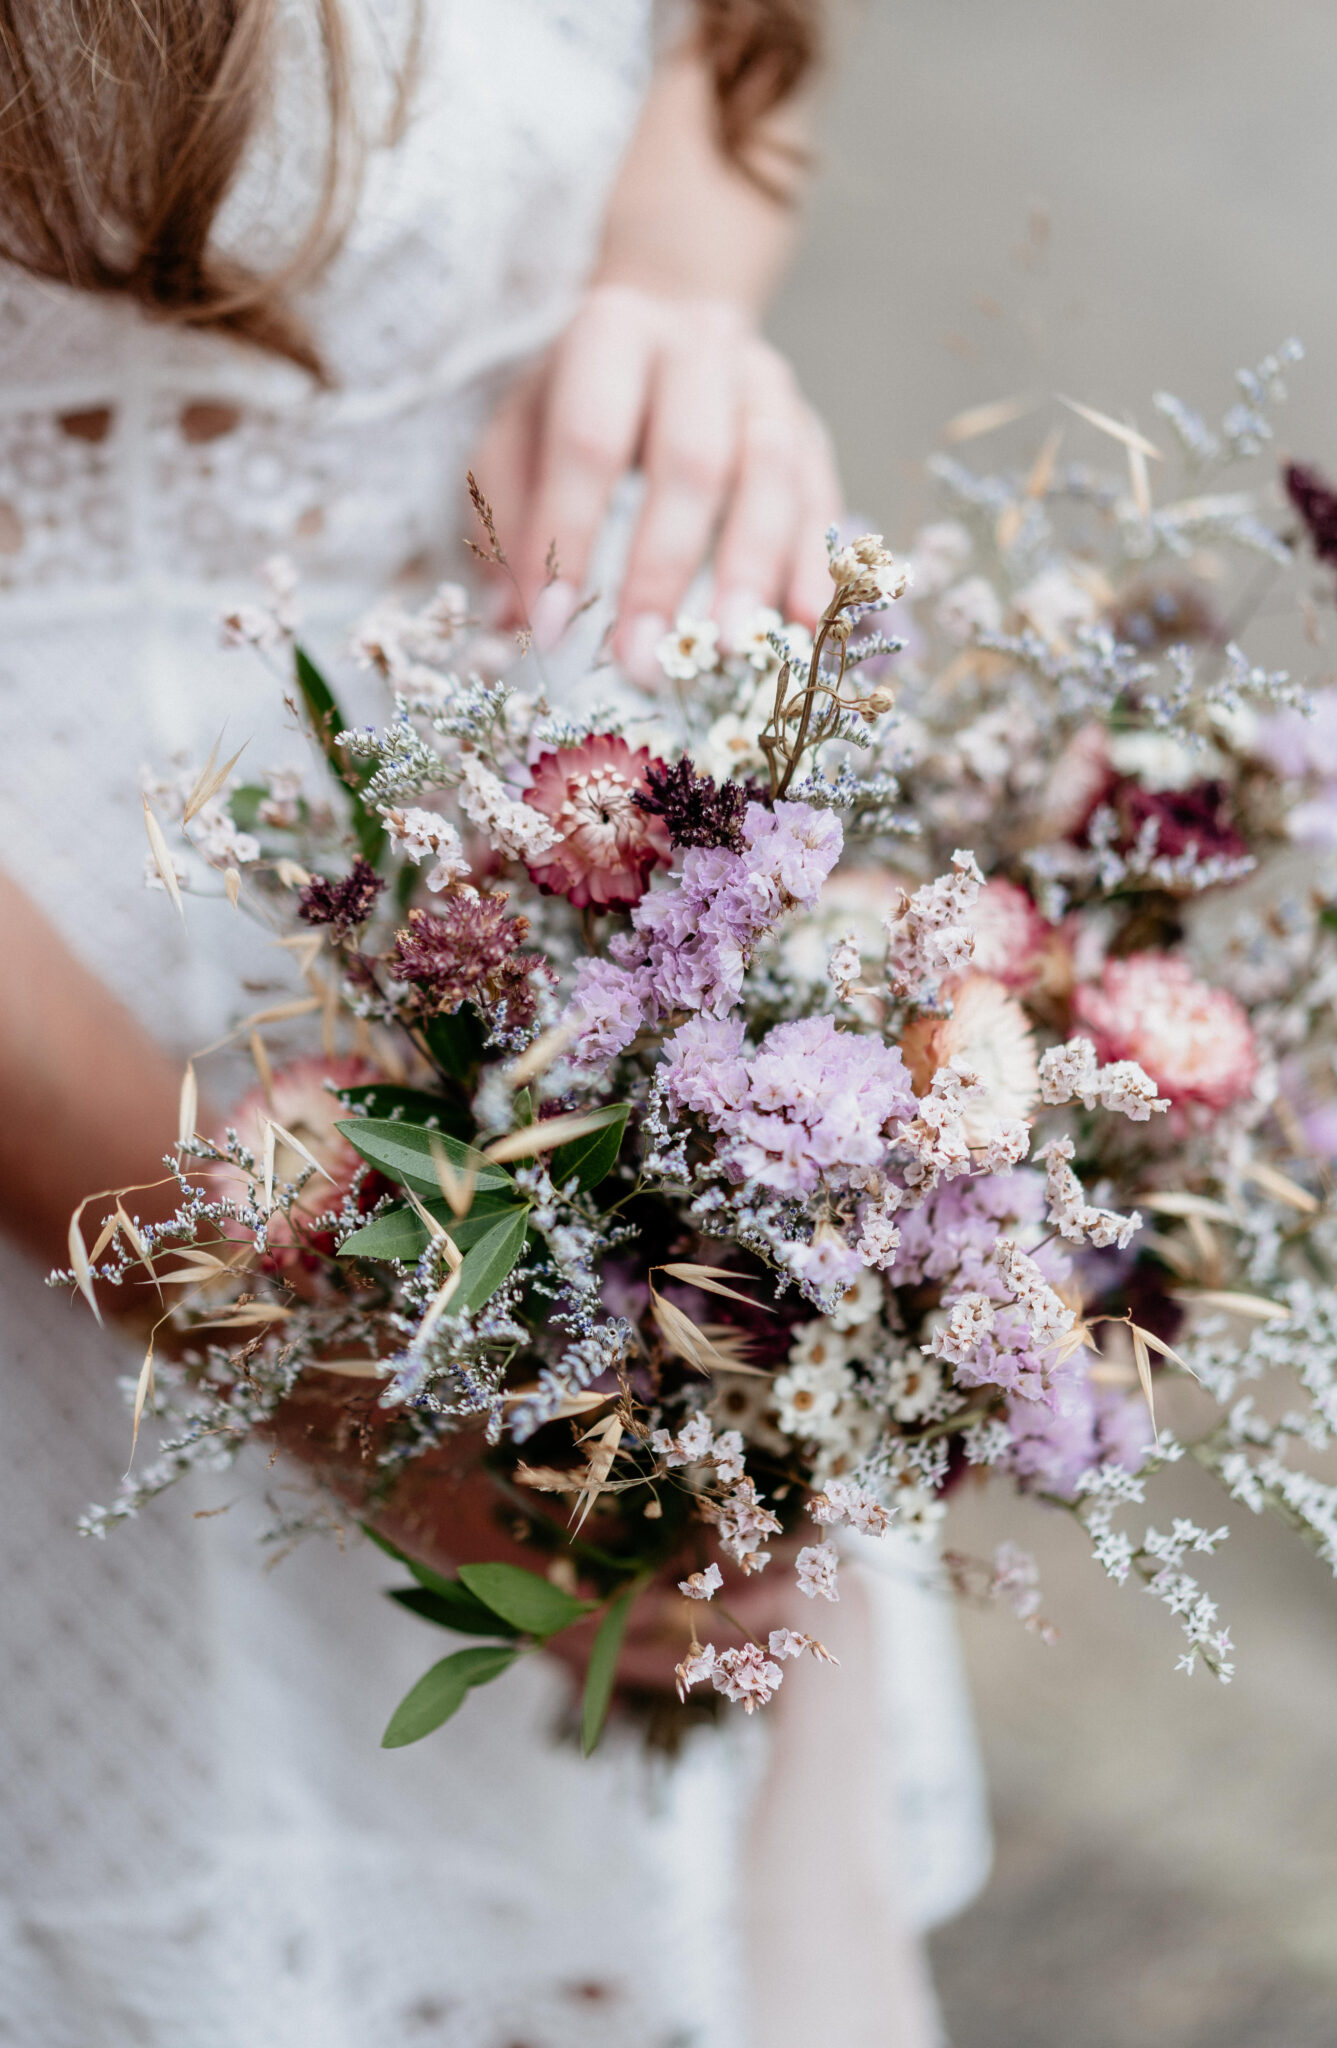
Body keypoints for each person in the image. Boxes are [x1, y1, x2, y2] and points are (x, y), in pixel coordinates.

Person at [0, 4, 989, 2041]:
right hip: (74, 1129)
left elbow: (719, 50)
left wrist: (660, 303)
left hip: (549, 976)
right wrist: (315, 1345)